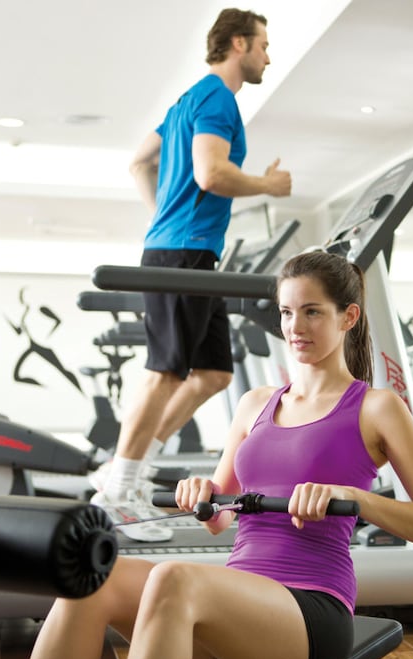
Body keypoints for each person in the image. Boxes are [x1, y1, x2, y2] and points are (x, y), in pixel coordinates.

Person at [29, 251, 413, 659]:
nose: (295, 326)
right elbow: (218, 519)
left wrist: (356, 498)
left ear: (348, 317)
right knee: (92, 578)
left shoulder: (377, 408)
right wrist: (203, 495)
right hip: (238, 595)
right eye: (287, 312)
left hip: (310, 605)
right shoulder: (255, 404)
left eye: (312, 312)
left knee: (173, 577)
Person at [91, 7, 293, 542]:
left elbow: (140, 162)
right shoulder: (218, 98)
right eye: (263, 45)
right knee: (165, 372)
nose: (268, 56)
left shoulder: (186, 101)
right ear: (238, 44)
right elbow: (211, 173)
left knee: (214, 372)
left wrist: (163, 216)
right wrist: (267, 185)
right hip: (183, 252)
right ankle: (118, 489)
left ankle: (129, 466)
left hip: (188, 251)